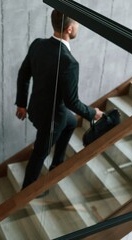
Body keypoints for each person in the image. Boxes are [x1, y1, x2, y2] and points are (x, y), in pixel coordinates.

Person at [15, 9, 103, 189]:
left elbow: (24, 74)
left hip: (37, 108)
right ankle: (26, 191)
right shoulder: (69, 62)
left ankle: (57, 164)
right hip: (51, 120)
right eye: (77, 23)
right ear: (69, 29)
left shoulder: (38, 44)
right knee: (39, 154)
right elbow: (72, 102)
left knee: (70, 122)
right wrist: (92, 113)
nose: (78, 26)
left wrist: (22, 104)